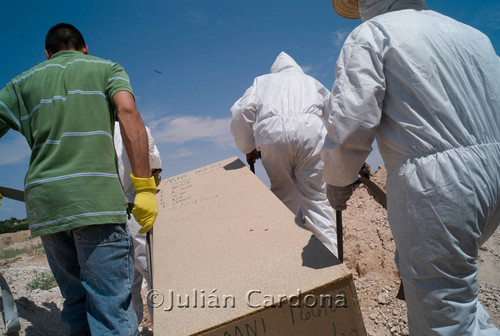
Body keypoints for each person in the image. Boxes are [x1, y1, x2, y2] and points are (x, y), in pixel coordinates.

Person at [322, 0, 500, 335]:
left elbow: (351, 123)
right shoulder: (473, 35)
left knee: (444, 319)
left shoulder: (372, 35)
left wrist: (337, 179)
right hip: (494, 178)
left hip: (440, 189)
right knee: (455, 293)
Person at [0, 23, 158, 335]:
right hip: (95, 200)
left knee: (75, 301)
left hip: (47, 207)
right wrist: (143, 186)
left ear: (47, 54)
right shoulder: (106, 68)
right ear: (84, 47)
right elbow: (128, 112)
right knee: (110, 306)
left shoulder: (21, 84)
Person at [231, 51, 339, 257]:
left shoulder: (261, 82)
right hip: (310, 132)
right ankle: (332, 261)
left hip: (272, 137)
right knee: (316, 197)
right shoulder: (310, 81)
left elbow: (239, 112)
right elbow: (335, 112)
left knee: (283, 196)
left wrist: (248, 145)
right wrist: (340, 148)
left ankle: (285, 259)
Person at [114, 121, 162, 332]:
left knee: (125, 284)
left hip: (110, 218)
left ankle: (130, 329)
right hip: (137, 212)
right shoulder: (136, 128)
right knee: (154, 276)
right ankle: (164, 326)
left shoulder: (92, 131)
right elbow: (155, 169)